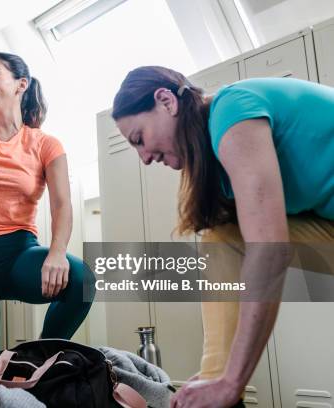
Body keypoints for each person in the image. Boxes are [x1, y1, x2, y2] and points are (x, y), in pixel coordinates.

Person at [111, 66, 333, 408]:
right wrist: (222, 374)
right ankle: (216, 381)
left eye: (139, 138)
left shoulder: (233, 110)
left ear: (166, 100)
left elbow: (271, 251)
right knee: (222, 239)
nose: (144, 158)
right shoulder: (220, 159)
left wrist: (232, 381)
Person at [0, 52, 94, 359]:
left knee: (81, 280)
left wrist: (57, 253)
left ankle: (39, 358)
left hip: (20, 253)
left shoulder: (46, 144)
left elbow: (62, 205)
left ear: (21, 84)